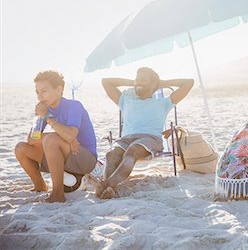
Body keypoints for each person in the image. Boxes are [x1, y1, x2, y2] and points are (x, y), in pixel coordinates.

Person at [87, 67, 194, 199]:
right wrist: (135, 82)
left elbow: (189, 82)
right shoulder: (125, 99)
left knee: (132, 150)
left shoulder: (163, 102)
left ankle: (107, 184)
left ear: (153, 84)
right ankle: (109, 189)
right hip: (125, 139)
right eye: (137, 79)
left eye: (143, 80)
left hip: (150, 139)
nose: (138, 83)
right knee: (111, 154)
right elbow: (106, 82)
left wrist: (161, 83)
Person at [14, 70, 97, 203]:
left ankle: (58, 194)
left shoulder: (74, 106)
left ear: (59, 89)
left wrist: (49, 119)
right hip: (62, 154)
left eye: (44, 91)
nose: (40, 97)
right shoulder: (44, 111)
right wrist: (62, 136)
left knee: (51, 139)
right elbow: (31, 140)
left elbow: (70, 135)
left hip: (85, 160)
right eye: (37, 92)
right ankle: (40, 186)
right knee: (21, 148)